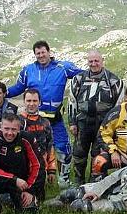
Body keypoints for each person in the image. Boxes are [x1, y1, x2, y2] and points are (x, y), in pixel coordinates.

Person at [7, 40, 82, 187]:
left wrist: (96, 72)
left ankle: (64, 180)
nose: (41, 55)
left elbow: (83, 75)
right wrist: (3, 93)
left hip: (55, 119)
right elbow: (18, 87)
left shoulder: (63, 67)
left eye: (43, 52)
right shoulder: (28, 70)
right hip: (33, 120)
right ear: (35, 55)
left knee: (63, 148)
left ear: (49, 52)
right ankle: (30, 177)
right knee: (30, 149)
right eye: (38, 53)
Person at [45, 151, 127, 214]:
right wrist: (97, 191)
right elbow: (116, 175)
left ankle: (62, 210)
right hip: (112, 189)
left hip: (118, 204)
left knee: (80, 207)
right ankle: (46, 206)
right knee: (71, 193)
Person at [68, 49, 124, 185]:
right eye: (91, 61)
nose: (93, 64)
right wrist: (72, 122)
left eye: (96, 61)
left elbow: (119, 106)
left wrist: (114, 128)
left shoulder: (115, 81)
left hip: (103, 126)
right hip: (82, 123)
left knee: (99, 155)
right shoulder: (78, 79)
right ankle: (78, 182)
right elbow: (72, 101)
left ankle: (97, 183)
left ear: (102, 61)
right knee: (79, 154)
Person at [0, 114, 43, 214]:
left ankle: (16, 202)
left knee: (29, 213)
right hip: (2, 181)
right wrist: (13, 179)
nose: (10, 133)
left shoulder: (27, 138)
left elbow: (38, 165)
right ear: (1, 126)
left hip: (23, 184)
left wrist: (30, 190)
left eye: (13, 129)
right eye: (6, 129)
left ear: (19, 129)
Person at [18, 88, 55, 201]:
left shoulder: (45, 122)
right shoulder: (17, 121)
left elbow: (50, 147)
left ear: (39, 102)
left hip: (40, 167)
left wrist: (51, 170)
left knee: (39, 201)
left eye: (34, 101)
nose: (32, 104)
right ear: (24, 102)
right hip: (22, 167)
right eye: (29, 101)